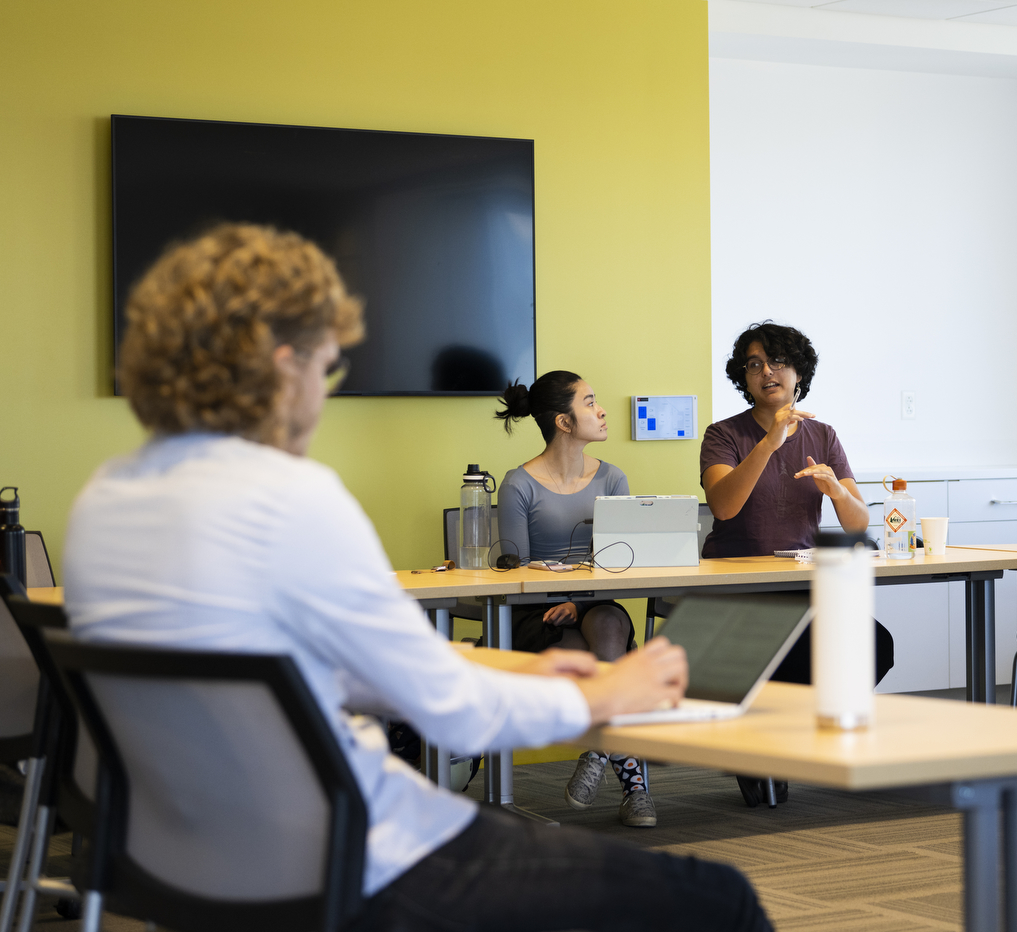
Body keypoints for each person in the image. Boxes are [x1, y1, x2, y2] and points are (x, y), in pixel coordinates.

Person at [63, 223, 771, 932]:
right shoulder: (291, 497)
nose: (322, 395)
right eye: (328, 370)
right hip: (363, 860)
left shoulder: (107, 498)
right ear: (284, 366)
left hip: (188, 864)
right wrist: (603, 696)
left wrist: (523, 678)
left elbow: (289, 670)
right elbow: (453, 712)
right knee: (722, 899)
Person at [701, 321, 895, 804]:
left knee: (875, 644)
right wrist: (770, 442)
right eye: (754, 364)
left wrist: (835, 490)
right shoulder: (724, 435)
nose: (767, 371)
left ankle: (777, 741)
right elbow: (724, 506)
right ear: (743, 378)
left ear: (798, 373)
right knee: (783, 645)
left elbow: (856, 523)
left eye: (778, 362)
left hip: (804, 580)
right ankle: (760, 748)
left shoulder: (823, 435)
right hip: (737, 583)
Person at [496, 373, 657, 827]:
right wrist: (564, 600)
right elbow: (515, 571)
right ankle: (634, 789)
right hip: (537, 614)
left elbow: (621, 567)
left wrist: (580, 604)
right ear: (564, 421)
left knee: (606, 623)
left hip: (596, 605)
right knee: (599, 662)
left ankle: (599, 748)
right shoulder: (517, 486)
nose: (602, 410)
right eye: (590, 403)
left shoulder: (612, 478)